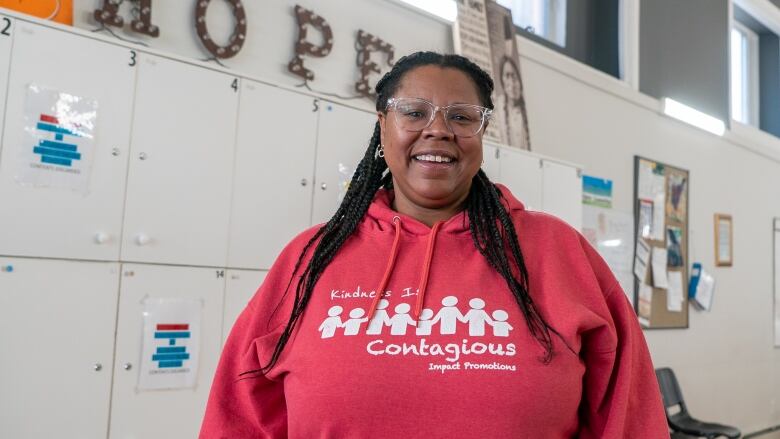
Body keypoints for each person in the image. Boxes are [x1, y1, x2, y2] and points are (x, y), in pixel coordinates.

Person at [200, 51, 669, 438]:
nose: (438, 129)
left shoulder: (558, 251)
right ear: (383, 126)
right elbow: (240, 415)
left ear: (481, 134)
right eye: (414, 112)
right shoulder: (310, 258)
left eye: (462, 117)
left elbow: (630, 416)